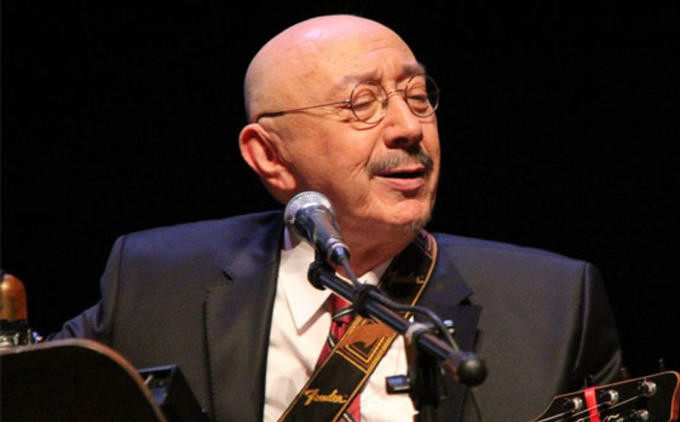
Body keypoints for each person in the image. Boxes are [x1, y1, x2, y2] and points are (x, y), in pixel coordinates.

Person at [50, 15, 622, 421]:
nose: (408, 128)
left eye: (417, 96)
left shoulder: (553, 302)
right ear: (270, 157)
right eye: (362, 104)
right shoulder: (156, 280)